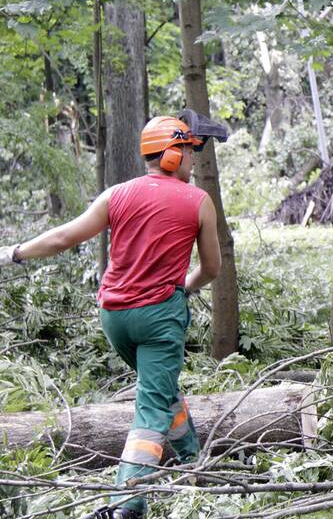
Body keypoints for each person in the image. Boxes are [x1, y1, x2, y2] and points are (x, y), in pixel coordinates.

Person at [0, 115, 222, 519]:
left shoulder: (116, 194)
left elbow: (64, 237)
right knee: (152, 406)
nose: (192, 160)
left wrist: (15, 252)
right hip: (159, 318)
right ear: (173, 156)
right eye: (189, 151)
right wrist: (183, 287)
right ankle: (127, 503)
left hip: (114, 317)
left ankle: (193, 464)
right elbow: (211, 268)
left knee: (162, 388)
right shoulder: (198, 201)